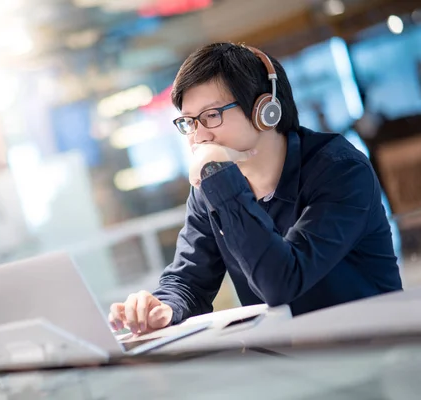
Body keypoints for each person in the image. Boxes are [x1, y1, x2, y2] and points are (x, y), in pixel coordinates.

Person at [108, 43, 403, 335]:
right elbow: (189, 281)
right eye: (189, 121)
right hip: (293, 360)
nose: (198, 136)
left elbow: (283, 283)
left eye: (211, 115)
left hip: (375, 351)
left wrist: (221, 179)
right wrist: (164, 306)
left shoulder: (340, 170)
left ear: (266, 110)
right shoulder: (211, 190)